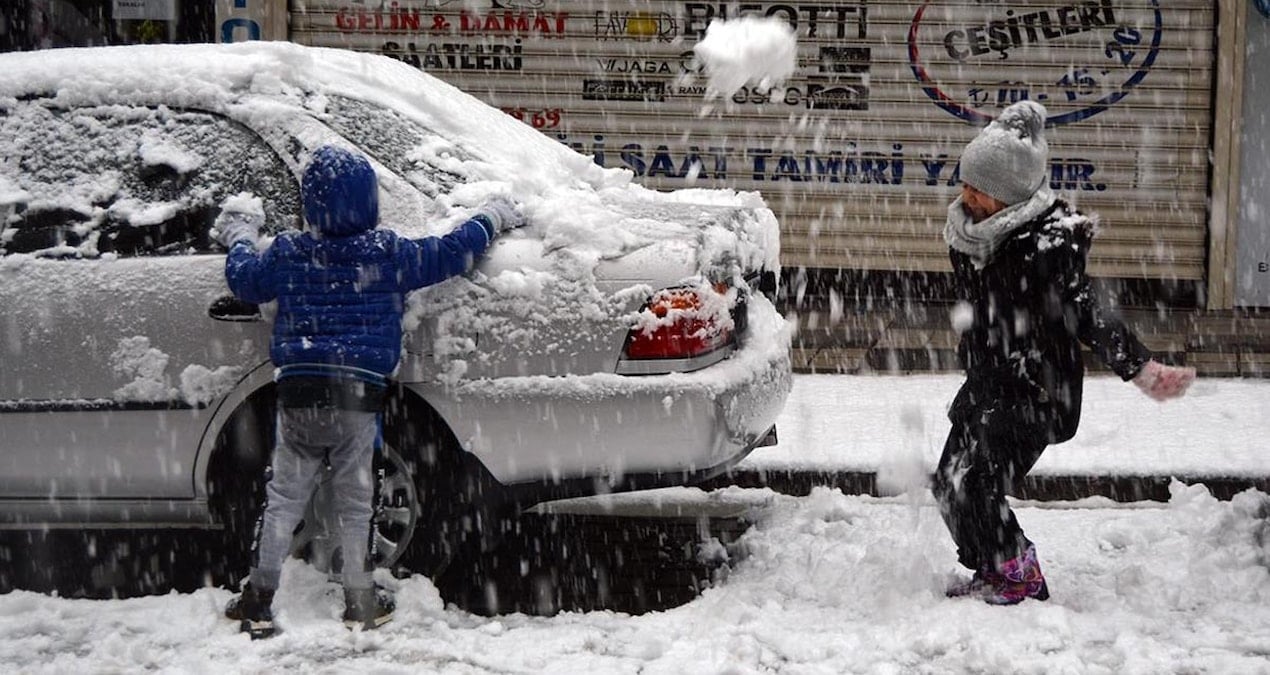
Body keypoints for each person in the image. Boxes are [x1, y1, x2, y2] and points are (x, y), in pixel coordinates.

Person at [214, 145, 525, 637]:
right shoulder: (387, 253)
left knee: (284, 498)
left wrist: (240, 235)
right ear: (370, 203)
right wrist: (491, 216)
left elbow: (246, 280)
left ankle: (258, 596)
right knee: (357, 500)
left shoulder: (291, 251)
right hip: (357, 397)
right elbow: (451, 253)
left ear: (310, 206)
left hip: (298, 392)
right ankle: (360, 599)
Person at [933, 100, 1196, 605]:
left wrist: (1139, 367)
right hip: (991, 382)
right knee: (949, 482)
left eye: (979, 189)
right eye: (964, 183)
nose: (966, 196)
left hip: (1036, 389)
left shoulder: (1046, 249)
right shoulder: (974, 233)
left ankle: (1018, 574)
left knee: (973, 484)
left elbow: (1089, 311)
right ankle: (993, 567)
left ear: (1011, 197)